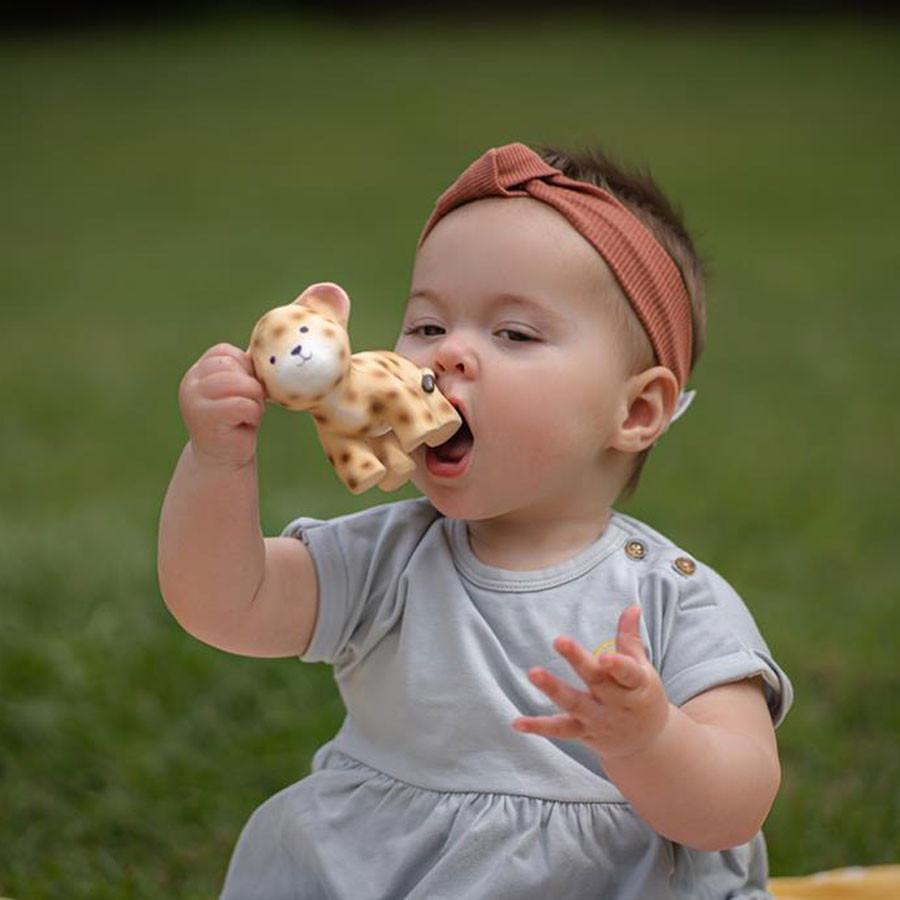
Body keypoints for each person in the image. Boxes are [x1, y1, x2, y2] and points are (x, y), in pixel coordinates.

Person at [157, 142, 793, 899]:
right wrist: (217, 462)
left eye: (514, 334)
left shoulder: (670, 598)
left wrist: (650, 739)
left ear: (636, 409)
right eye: (427, 326)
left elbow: (735, 805)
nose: (448, 354)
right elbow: (222, 603)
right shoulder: (387, 559)